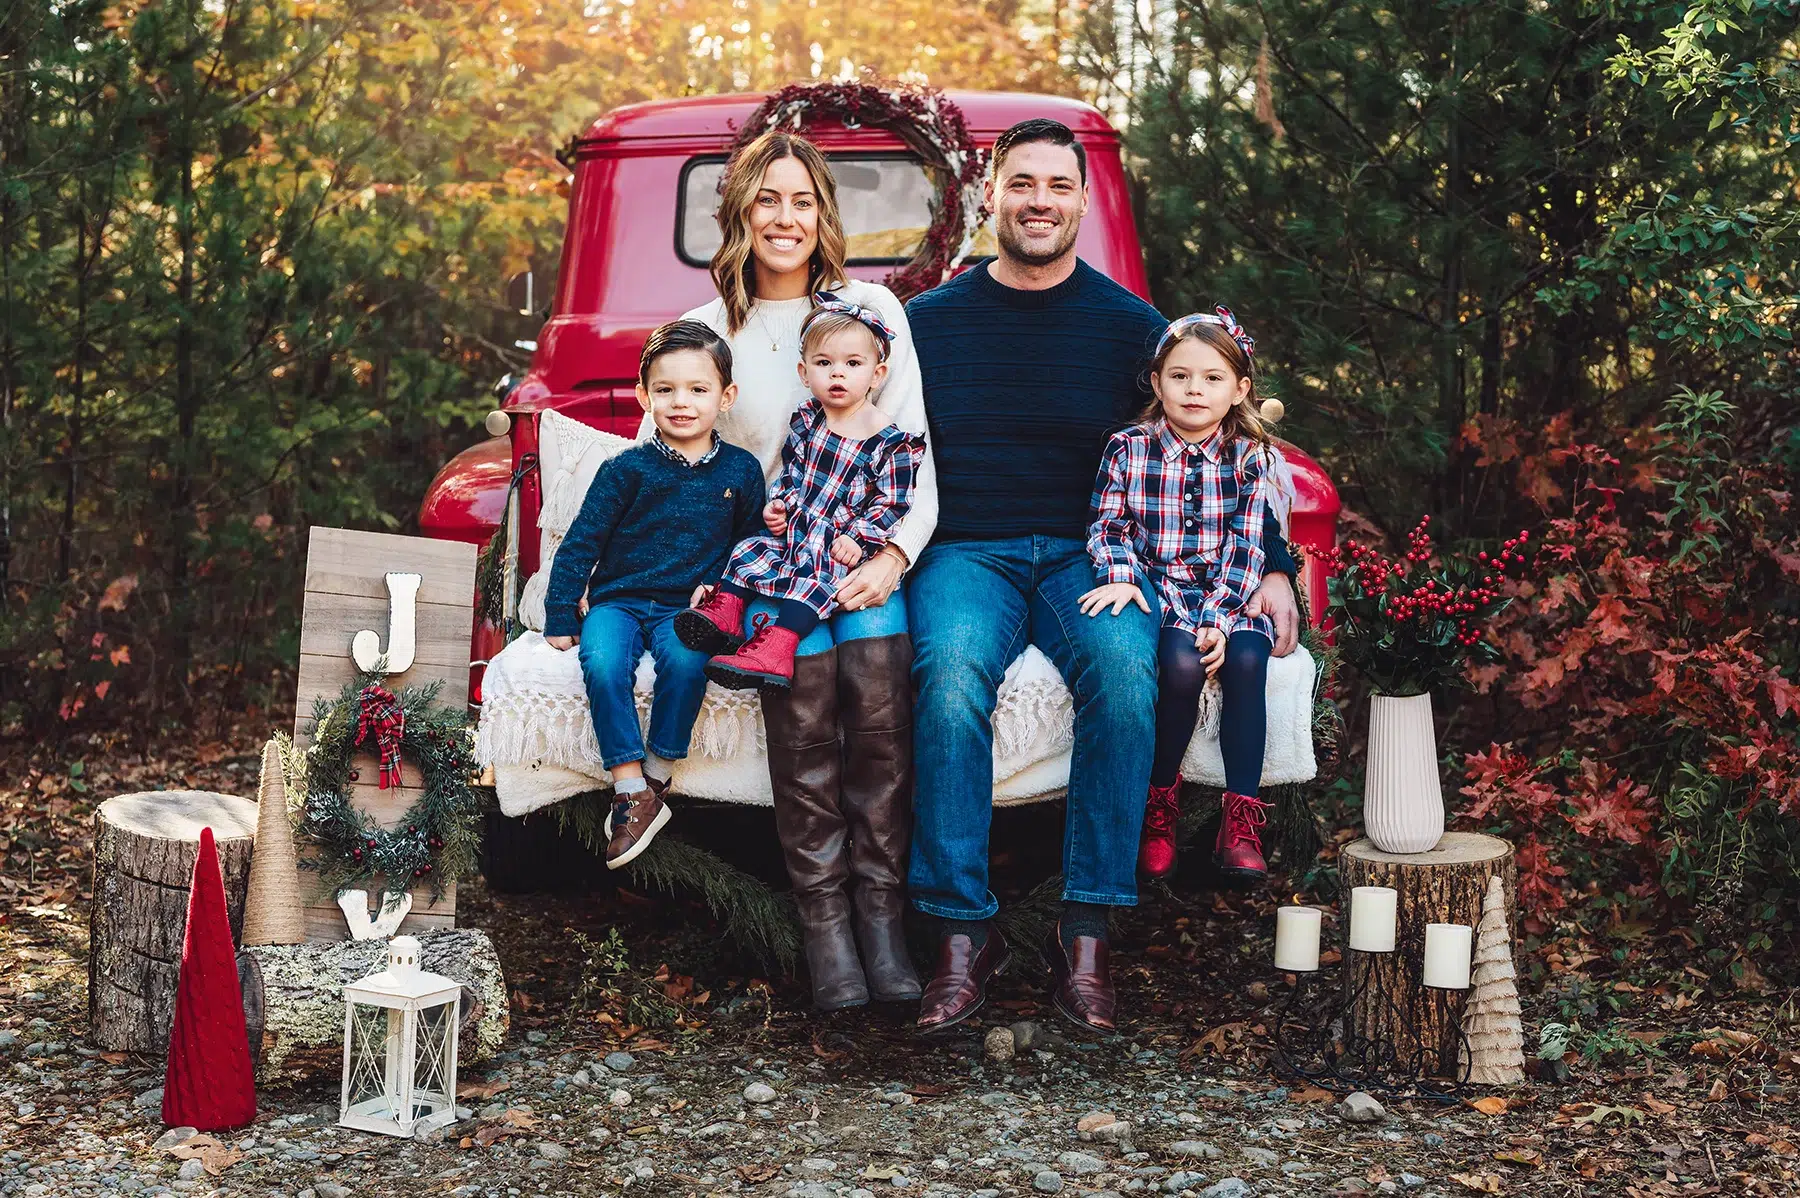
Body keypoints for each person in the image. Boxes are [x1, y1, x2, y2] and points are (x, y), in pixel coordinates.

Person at [904, 118, 1302, 1033]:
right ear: (990, 196)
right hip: (967, 550)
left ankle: (1085, 933)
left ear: (1084, 201)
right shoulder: (929, 325)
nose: (1039, 201)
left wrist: (1274, 567)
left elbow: (1219, 448)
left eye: (1057, 186)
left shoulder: (1133, 329)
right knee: (950, 674)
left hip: (1099, 556)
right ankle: (962, 938)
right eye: (1021, 183)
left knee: (1128, 677)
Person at [641, 130, 938, 1009]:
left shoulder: (872, 309)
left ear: (824, 214)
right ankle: (826, 931)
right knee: (803, 712)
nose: (785, 217)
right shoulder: (705, 330)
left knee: (879, 708)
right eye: (767, 199)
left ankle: (882, 917)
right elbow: (660, 459)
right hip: (773, 567)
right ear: (738, 211)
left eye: (802, 200)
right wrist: (692, 566)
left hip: (862, 558)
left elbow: (918, 459)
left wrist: (892, 556)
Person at [544, 321, 766, 870]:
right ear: (645, 396)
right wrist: (558, 613)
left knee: (689, 662)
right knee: (601, 662)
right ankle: (626, 787)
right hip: (619, 600)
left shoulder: (741, 470)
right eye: (665, 390)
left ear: (725, 396)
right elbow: (581, 543)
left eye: (698, 389)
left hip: (687, 608)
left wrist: (728, 592)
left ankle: (657, 778)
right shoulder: (625, 470)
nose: (681, 402)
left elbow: (754, 545)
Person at [1083, 307, 1282, 888]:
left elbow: (1249, 546)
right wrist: (1120, 574)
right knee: (1179, 663)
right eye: (1180, 376)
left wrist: (1221, 618)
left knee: (1247, 660)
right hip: (1163, 592)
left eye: (1213, 378)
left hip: (1231, 594)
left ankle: (1240, 821)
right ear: (1157, 380)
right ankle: (1159, 806)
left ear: (1239, 388)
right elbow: (1107, 527)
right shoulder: (1128, 449)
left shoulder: (1250, 457)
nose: (1195, 389)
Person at [683, 297, 927, 695]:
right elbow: (792, 470)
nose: (838, 374)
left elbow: (893, 502)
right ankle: (725, 613)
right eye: (824, 363)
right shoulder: (807, 418)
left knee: (813, 584)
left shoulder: (892, 440)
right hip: (795, 533)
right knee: (749, 550)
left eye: (853, 364)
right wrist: (779, 504)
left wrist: (859, 537)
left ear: (877, 373)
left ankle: (777, 646)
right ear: (805, 371)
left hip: (836, 547)